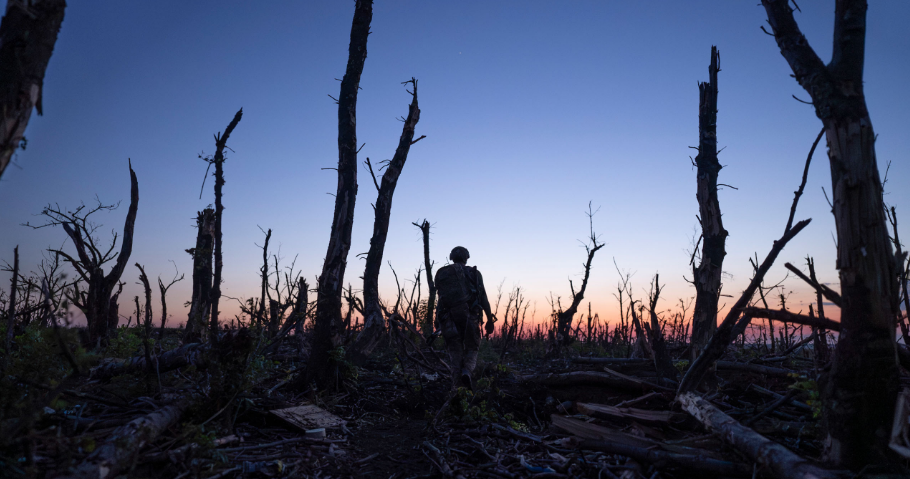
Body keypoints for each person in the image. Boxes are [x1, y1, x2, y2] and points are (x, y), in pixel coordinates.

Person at [434, 246, 495, 389]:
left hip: (448, 319)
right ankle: (467, 371)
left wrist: (438, 322)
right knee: (472, 348)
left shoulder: (442, 274)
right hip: (469, 318)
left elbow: (440, 301)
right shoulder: (474, 273)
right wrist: (490, 319)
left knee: (455, 352)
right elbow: (483, 298)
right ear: (466, 258)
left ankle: (456, 387)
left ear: (451, 257)